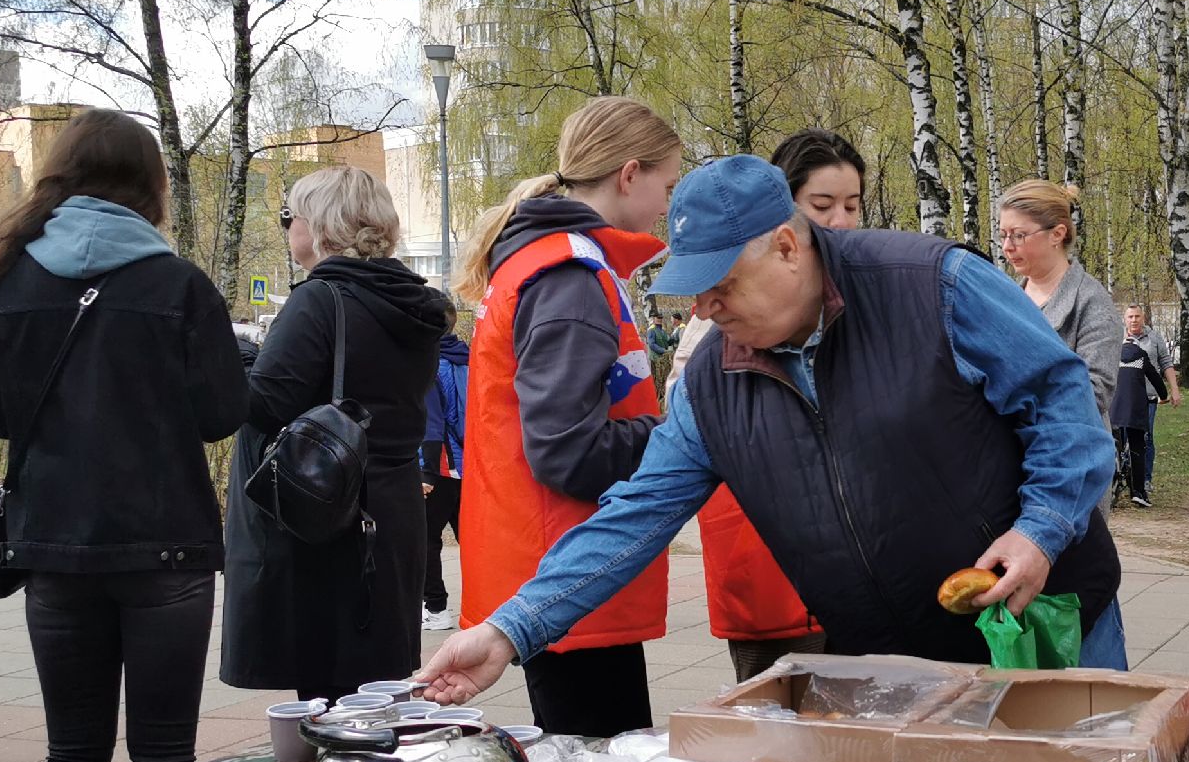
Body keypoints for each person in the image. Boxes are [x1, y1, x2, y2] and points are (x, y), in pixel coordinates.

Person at [415, 154, 1125, 704]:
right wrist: (511, 630)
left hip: (1046, 618)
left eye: (721, 285)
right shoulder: (710, 385)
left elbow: (1061, 400)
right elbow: (632, 516)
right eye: (693, 289)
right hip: (890, 659)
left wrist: (1041, 528)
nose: (704, 307)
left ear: (786, 246)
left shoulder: (933, 283)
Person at [0, 107, 247, 762]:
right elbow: (222, 415)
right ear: (150, 185)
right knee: (165, 761)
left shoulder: (6, 284)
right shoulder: (179, 286)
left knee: (72, 757)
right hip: (166, 545)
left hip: (54, 542)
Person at [451, 96, 680, 737]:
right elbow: (568, 450)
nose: (667, 203)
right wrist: (675, 434)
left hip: (550, 565)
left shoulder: (548, 262)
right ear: (629, 174)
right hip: (565, 569)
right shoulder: (568, 275)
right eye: (666, 183)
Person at [221, 166, 450, 704]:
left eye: (288, 217)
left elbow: (266, 404)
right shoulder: (410, 302)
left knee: (327, 702)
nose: (286, 229)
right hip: (389, 512)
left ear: (321, 226)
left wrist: (231, 357)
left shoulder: (320, 299)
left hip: (325, 515)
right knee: (373, 694)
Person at [672, 128, 862, 681]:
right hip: (764, 573)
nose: (841, 222)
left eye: (853, 205)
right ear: (785, 230)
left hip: (853, 585)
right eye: (822, 205)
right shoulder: (716, 340)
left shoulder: (890, 300)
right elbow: (672, 466)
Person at [998, 180, 1119, 420]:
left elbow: (1093, 397)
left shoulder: (1092, 302)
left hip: (1071, 452)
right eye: (1003, 235)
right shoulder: (1006, 298)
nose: (1006, 247)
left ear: (1057, 234)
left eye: (1018, 235)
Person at [420, 314, 469, 631]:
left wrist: (425, 473)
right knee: (475, 541)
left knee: (426, 540)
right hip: (472, 466)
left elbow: (431, 423)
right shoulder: (470, 358)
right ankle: (491, 605)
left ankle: (436, 609)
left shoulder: (428, 365)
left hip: (440, 466)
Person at [1124, 305, 1181, 486]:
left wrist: (1174, 389)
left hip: (1147, 397)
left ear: (1144, 318)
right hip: (1123, 397)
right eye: (1130, 317)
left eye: (1137, 316)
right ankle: (1122, 476)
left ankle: (1145, 479)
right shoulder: (1118, 338)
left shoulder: (1154, 338)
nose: (1134, 320)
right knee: (1121, 438)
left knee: (1145, 437)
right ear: (1125, 319)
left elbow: (1165, 362)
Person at [1113, 329, 1169, 508]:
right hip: (1136, 408)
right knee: (1137, 447)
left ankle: (1110, 484)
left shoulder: (1113, 356)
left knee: (1113, 444)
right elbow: (1155, 377)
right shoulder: (1142, 356)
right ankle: (1138, 492)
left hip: (1114, 409)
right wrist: (1164, 395)